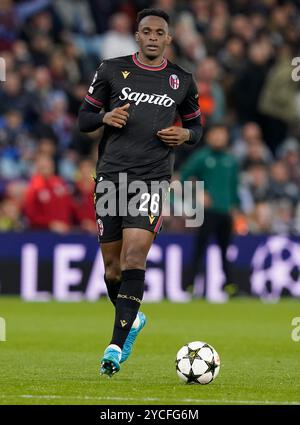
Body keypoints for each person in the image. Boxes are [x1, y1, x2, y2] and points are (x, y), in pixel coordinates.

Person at [78, 8, 202, 377]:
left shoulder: (182, 80)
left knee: (135, 255)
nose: (151, 36)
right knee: (113, 269)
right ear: (137, 36)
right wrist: (103, 117)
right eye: (145, 31)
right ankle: (134, 320)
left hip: (150, 178)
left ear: (168, 39)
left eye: (158, 32)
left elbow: (197, 127)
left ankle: (114, 347)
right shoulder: (111, 70)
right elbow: (83, 119)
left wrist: (186, 135)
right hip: (110, 178)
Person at [180, 124, 239, 295]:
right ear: (209, 137)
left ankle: (230, 286)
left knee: (225, 250)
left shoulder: (231, 160)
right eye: (216, 134)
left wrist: (235, 207)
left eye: (222, 134)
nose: (219, 138)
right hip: (207, 212)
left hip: (225, 212)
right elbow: (183, 177)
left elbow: (234, 187)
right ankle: (190, 285)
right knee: (200, 248)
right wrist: (198, 192)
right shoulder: (202, 157)